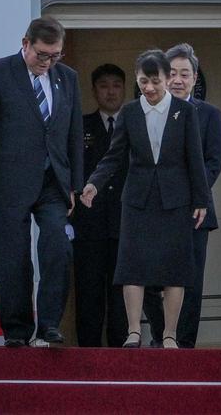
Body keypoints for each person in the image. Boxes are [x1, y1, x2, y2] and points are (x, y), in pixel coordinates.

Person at [0, 17, 83, 348]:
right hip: (8, 180)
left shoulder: (67, 78)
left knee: (57, 247)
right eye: (42, 54)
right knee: (13, 257)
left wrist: (74, 183)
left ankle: (49, 326)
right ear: (26, 43)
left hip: (53, 181)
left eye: (55, 55)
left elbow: (73, 133)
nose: (47, 62)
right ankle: (16, 330)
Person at [80, 49, 210, 349]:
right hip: (137, 198)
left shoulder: (185, 112)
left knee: (174, 269)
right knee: (132, 265)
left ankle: (169, 335)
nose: (149, 88)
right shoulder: (129, 112)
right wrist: (93, 184)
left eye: (154, 81)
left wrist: (202, 200)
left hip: (175, 199)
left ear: (166, 79)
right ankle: (134, 331)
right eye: (142, 81)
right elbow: (114, 156)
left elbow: (195, 159)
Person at [144, 43, 221, 348]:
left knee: (189, 283)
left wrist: (189, 193)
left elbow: (214, 162)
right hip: (153, 212)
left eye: (185, 74)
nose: (178, 80)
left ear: (194, 79)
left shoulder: (210, 115)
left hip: (194, 211)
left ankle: (184, 345)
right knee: (150, 279)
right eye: (172, 73)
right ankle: (160, 335)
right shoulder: (145, 111)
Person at [70, 64, 130, 347]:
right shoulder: (80, 126)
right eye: (104, 85)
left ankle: (121, 352)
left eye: (116, 85)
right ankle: (88, 354)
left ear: (125, 89)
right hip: (88, 223)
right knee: (89, 289)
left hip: (125, 222)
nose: (110, 91)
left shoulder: (135, 124)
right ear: (94, 90)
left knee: (121, 292)